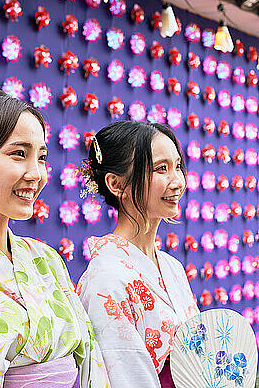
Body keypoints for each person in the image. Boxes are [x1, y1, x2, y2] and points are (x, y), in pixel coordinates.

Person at [0, 88, 110, 388]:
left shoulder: (45, 258)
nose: (35, 173)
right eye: (18, 154)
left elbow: (91, 357)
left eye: (41, 158)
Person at [76, 121, 199, 388]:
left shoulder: (172, 267)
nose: (177, 181)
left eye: (178, 166)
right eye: (161, 169)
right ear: (116, 184)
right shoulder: (104, 280)